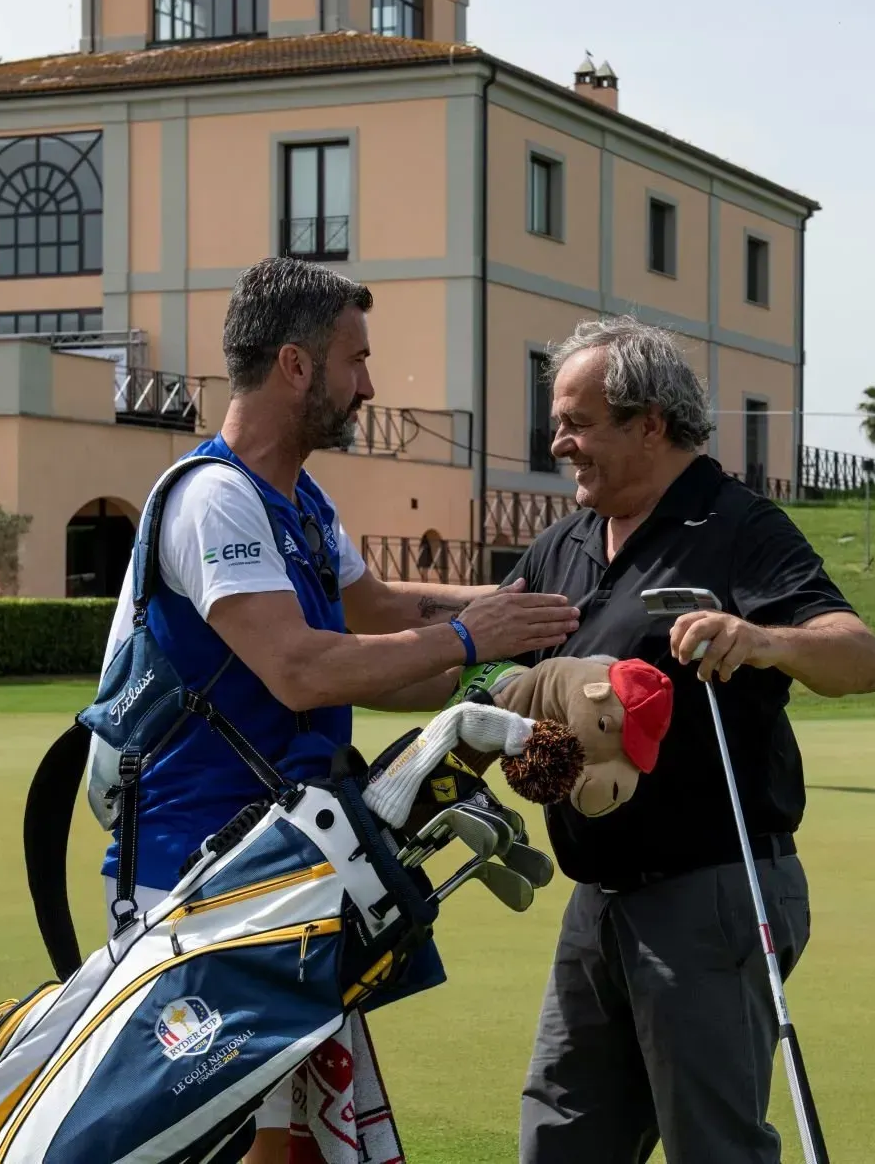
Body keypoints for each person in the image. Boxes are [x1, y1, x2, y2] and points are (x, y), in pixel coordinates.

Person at [85, 256, 582, 1163]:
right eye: (355, 360)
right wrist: (479, 638)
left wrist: (548, 600)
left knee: (282, 1139)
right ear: (296, 366)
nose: (370, 385)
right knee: (232, 1143)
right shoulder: (215, 500)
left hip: (279, 875)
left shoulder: (302, 503)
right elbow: (301, 670)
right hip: (192, 886)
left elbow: (389, 621)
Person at [504, 316, 875, 1164]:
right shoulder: (565, 540)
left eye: (576, 422)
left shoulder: (736, 525)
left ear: (649, 424)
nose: (557, 440)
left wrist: (763, 640)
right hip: (597, 898)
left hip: (712, 892)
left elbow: (860, 658)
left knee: (713, 1147)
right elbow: (489, 638)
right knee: (560, 1136)